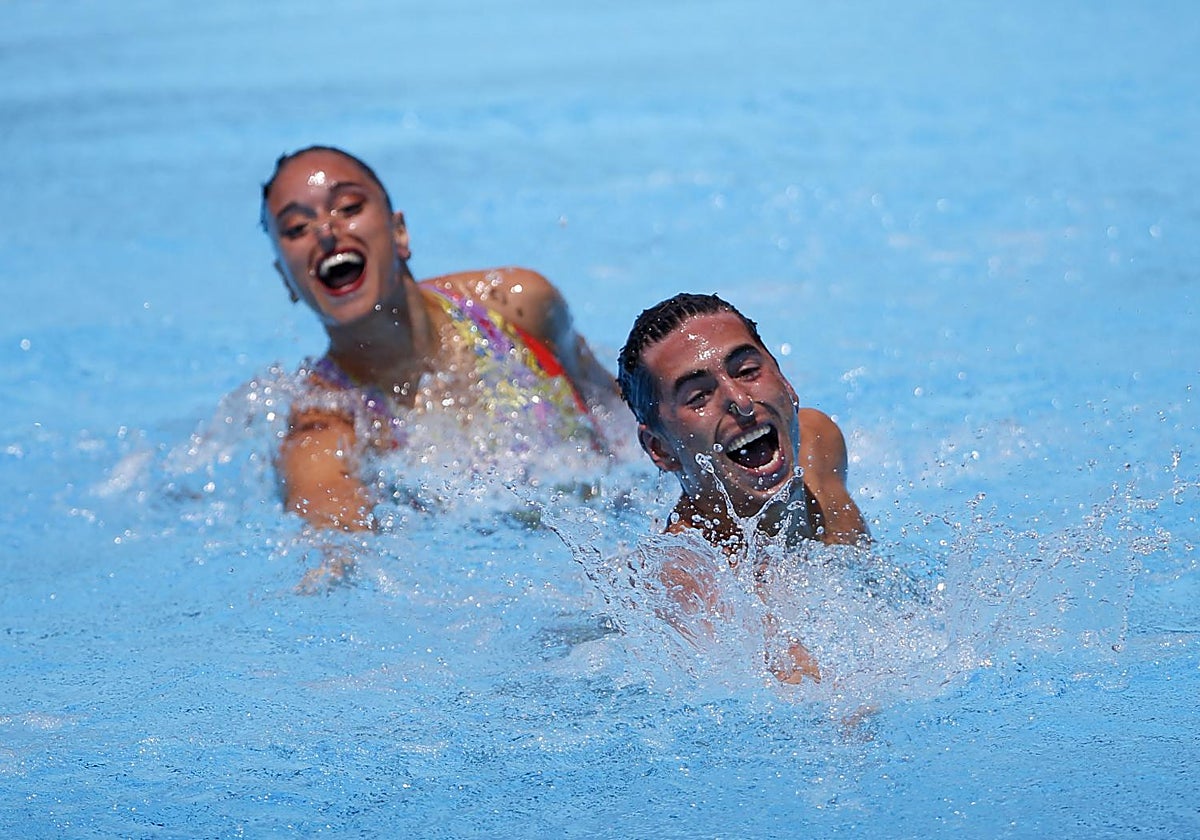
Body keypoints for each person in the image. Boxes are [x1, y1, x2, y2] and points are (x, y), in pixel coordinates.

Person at [260, 145, 622, 542]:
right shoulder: (323, 428)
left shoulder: (517, 306)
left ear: (399, 232)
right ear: (285, 280)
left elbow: (623, 423)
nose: (326, 233)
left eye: (348, 207)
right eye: (296, 228)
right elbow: (339, 548)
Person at [616, 292, 870, 683]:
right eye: (698, 396)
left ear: (785, 382)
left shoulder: (819, 444)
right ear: (661, 449)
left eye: (747, 370)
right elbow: (820, 701)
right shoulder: (691, 583)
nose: (740, 401)